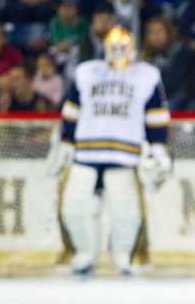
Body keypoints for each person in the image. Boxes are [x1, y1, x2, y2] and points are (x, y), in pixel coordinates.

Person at [57, 26, 171, 275]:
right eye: (114, 47)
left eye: (123, 47)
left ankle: (123, 257)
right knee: (73, 208)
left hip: (124, 154)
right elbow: (71, 110)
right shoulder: (87, 72)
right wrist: (65, 141)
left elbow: (156, 116)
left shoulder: (147, 75)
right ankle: (84, 255)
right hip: (86, 152)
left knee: (126, 214)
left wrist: (158, 148)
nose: (118, 52)